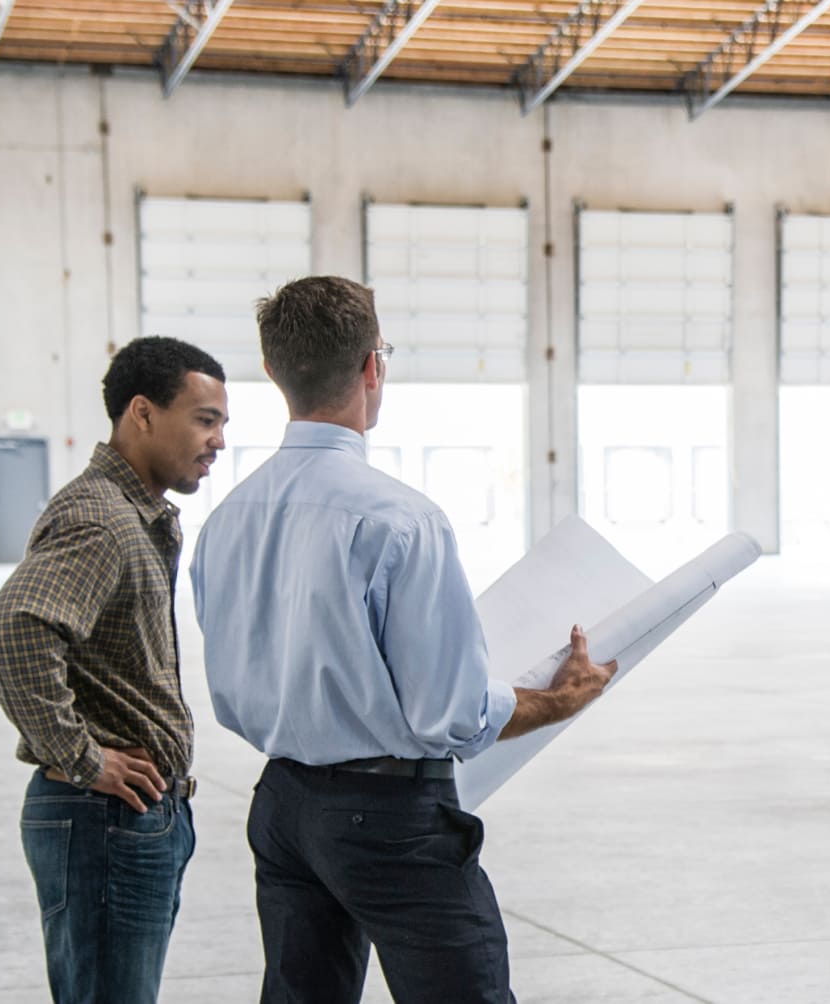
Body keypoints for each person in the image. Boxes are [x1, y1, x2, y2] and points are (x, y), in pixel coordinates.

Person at [190, 275, 614, 1004]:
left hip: (283, 806)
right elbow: (449, 713)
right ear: (371, 369)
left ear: (273, 372)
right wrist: (557, 699)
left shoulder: (228, 517)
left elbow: (236, 686)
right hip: (387, 821)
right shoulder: (400, 520)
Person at [0, 336, 228, 1003]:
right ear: (141, 414)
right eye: (205, 420)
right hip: (103, 820)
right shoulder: (101, 518)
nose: (218, 441)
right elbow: (16, 628)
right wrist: (84, 756)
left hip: (130, 821)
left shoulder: (133, 514)